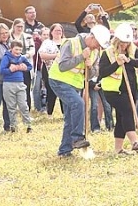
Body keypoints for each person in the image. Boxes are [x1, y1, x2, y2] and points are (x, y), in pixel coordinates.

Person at [48, 24, 111, 157]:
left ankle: (65, 150)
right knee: (79, 104)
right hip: (59, 80)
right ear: (91, 37)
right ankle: (77, 138)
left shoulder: (95, 52)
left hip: (75, 84)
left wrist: (91, 68)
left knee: (71, 117)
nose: (97, 47)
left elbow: (91, 75)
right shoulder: (71, 43)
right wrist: (81, 57)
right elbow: (63, 66)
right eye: (97, 44)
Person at [98, 23, 138, 155]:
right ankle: (134, 141)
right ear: (117, 41)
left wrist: (129, 60)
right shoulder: (107, 53)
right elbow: (102, 72)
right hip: (113, 91)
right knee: (127, 111)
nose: (125, 45)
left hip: (131, 89)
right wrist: (117, 64)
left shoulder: (133, 49)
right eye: (122, 43)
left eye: (127, 43)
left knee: (121, 117)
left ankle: (118, 149)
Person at [0, 40, 33, 133]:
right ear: (11, 48)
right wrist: (10, 70)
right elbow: (1, 70)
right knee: (11, 106)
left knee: (23, 105)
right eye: (16, 49)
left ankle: (28, 125)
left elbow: (30, 66)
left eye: (20, 50)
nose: (18, 52)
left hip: (20, 83)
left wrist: (25, 68)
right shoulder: (6, 57)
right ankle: (13, 125)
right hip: (8, 84)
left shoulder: (22, 58)